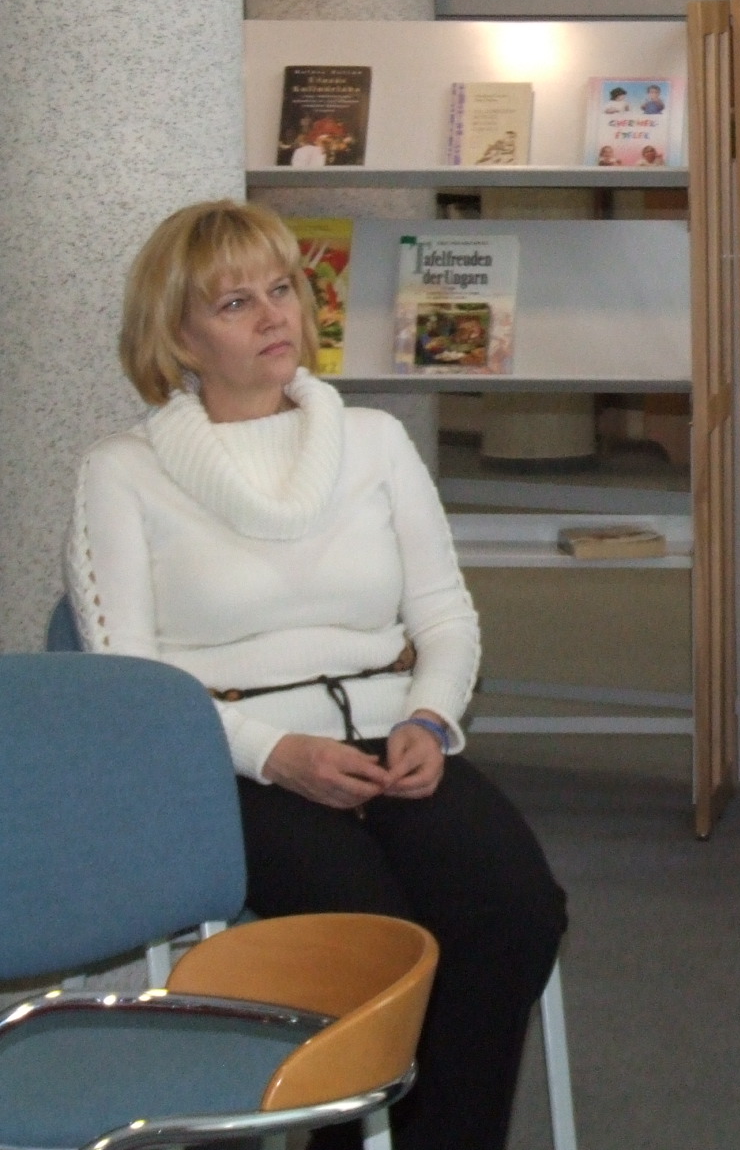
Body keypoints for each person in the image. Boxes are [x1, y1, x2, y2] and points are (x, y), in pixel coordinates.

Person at [67, 200, 567, 1150]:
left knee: (514, 910)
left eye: (283, 289)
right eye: (236, 303)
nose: (274, 316)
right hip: (235, 763)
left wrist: (431, 719)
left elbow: (445, 616)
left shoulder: (373, 440)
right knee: (371, 939)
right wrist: (273, 754)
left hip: (392, 738)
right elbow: (130, 682)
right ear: (178, 337)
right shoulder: (121, 473)